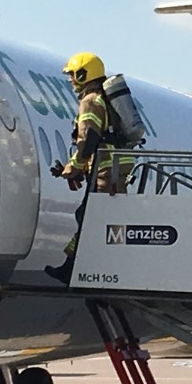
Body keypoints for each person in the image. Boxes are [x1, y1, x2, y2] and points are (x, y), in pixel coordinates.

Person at [45, 52, 136, 283]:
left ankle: (74, 270)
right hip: (116, 165)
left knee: (90, 217)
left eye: (73, 75)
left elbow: (89, 139)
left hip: (107, 168)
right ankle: (80, 268)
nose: (70, 80)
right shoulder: (103, 99)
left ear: (83, 73)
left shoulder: (90, 100)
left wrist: (75, 166)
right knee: (100, 217)